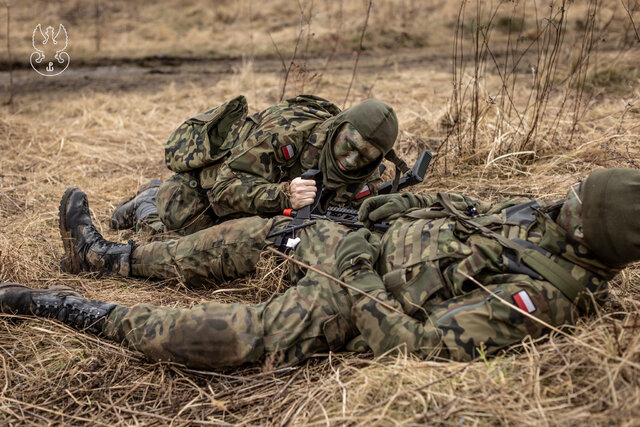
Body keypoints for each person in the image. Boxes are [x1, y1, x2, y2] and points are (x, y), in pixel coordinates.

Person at [1, 168, 639, 370]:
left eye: (577, 203)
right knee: (251, 235)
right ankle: (107, 258)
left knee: (230, 337)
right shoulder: (545, 223)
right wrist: (399, 205)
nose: (563, 199)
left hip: (347, 299)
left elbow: (422, 345)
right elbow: (467, 210)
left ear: (592, 233)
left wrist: (354, 274)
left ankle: (78, 309)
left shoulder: (544, 298)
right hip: (357, 242)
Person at [110, 95, 400, 236]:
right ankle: (146, 207)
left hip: (271, 218)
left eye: (365, 157)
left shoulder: (367, 178)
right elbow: (224, 188)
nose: (350, 161)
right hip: (209, 192)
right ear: (338, 128)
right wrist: (285, 195)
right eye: (348, 147)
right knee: (184, 232)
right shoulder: (285, 133)